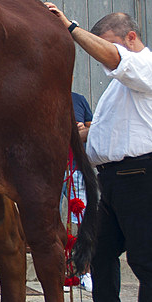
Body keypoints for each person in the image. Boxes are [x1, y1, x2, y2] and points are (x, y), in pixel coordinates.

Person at [45, 4, 152, 302]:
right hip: (118, 180)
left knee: (147, 256)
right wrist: (87, 131)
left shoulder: (150, 67)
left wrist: (71, 28)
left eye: (110, 46)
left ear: (130, 38)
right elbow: (125, 122)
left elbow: (116, 60)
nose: (104, 56)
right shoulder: (122, 86)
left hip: (145, 175)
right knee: (100, 251)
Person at [65, 91, 94, 291]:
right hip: (49, 171)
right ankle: (61, 274)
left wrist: (83, 128)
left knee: (82, 222)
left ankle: (84, 272)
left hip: (76, 166)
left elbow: (93, 129)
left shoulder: (79, 99)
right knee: (53, 223)